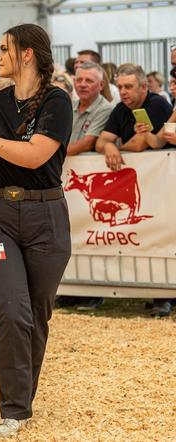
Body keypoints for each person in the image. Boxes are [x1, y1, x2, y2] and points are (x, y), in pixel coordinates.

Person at [0, 23, 72, 437]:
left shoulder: (57, 100)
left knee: (36, 316)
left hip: (47, 219)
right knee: (10, 310)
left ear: (27, 54)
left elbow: (36, 156)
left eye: (5, 48)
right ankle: (14, 411)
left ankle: (23, 401)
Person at [95, 63, 174, 317]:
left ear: (144, 86)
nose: (123, 92)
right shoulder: (121, 109)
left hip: (160, 182)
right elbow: (102, 140)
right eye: (119, 87)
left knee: (164, 236)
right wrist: (110, 147)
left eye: (128, 86)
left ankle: (165, 296)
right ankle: (157, 292)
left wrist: (118, 144)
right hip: (145, 184)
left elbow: (142, 145)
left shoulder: (157, 105)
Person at [54, 62, 113, 310]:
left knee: (93, 231)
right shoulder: (70, 105)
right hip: (69, 179)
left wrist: (48, 152)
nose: (83, 85)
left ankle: (94, 290)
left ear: (101, 84)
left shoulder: (105, 109)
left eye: (89, 81)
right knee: (69, 231)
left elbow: (88, 143)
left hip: (91, 181)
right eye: (79, 80)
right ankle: (72, 287)